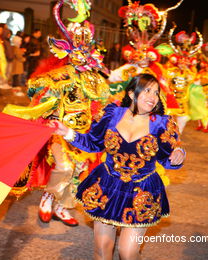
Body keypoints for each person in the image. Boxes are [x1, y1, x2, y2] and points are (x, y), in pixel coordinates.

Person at [51, 73, 186, 260]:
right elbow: (93, 143)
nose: (152, 97)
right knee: (102, 251)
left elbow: (168, 158)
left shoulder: (162, 123)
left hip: (142, 191)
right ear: (132, 93)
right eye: (147, 91)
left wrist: (178, 155)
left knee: (128, 253)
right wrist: (67, 132)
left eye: (156, 93)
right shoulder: (111, 114)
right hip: (107, 187)